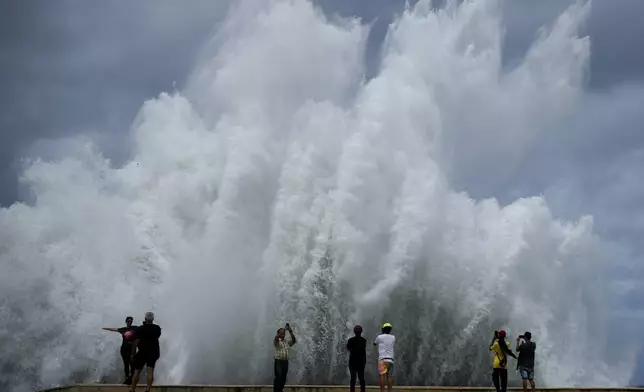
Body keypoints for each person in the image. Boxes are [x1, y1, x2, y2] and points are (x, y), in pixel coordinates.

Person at [129, 312, 161, 392]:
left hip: (142, 352)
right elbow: (157, 336)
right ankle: (148, 389)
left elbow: (135, 342)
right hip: (153, 352)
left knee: (137, 371)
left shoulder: (140, 329)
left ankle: (132, 389)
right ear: (153, 319)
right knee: (150, 371)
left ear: (145, 319)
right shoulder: (157, 328)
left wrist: (133, 354)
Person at [102, 316, 137, 384]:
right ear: (126, 322)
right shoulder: (123, 329)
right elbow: (114, 329)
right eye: (128, 321)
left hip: (132, 349)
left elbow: (143, 329)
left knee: (132, 364)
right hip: (124, 349)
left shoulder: (135, 328)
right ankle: (127, 378)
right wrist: (106, 328)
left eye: (131, 321)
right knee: (126, 364)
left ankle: (132, 378)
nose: (130, 322)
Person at [273, 323, 296, 392]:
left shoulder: (286, 342)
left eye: (283, 332)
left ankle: (280, 390)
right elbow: (276, 337)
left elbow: (294, 340)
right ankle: (276, 390)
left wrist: (290, 331)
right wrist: (285, 329)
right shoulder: (277, 341)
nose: (282, 333)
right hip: (278, 361)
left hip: (285, 361)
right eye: (280, 332)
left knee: (283, 377)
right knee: (278, 376)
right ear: (278, 333)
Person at [373, 322, 395, 392]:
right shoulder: (393, 337)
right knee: (389, 376)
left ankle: (382, 391)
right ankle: (390, 390)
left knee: (382, 376)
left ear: (383, 329)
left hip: (382, 360)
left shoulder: (379, 337)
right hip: (390, 360)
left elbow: (374, 343)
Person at [346, 324, 366, 392]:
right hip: (361, 362)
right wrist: (364, 361)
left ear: (354, 331)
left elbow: (348, 348)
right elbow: (363, 351)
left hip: (352, 362)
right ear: (361, 331)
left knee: (353, 379)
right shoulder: (364, 340)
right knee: (362, 379)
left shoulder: (350, 340)